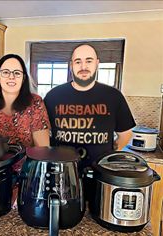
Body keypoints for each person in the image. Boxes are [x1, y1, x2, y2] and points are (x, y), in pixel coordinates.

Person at [44, 44, 136, 211]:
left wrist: (109, 151)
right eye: (78, 62)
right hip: (62, 179)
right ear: (71, 65)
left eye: (89, 61)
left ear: (97, 63)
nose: (83, 66)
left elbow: (125, 134)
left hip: (101, 177)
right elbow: (43, 134)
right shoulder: (53, 96)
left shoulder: (113, 96)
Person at [0, 54, 51, 207]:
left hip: (25, 178)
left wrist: (30, 185)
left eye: (17, 73)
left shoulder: (35, 103)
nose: (11, 77)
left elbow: (42, 150)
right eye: (6, 72)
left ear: (23, 78)